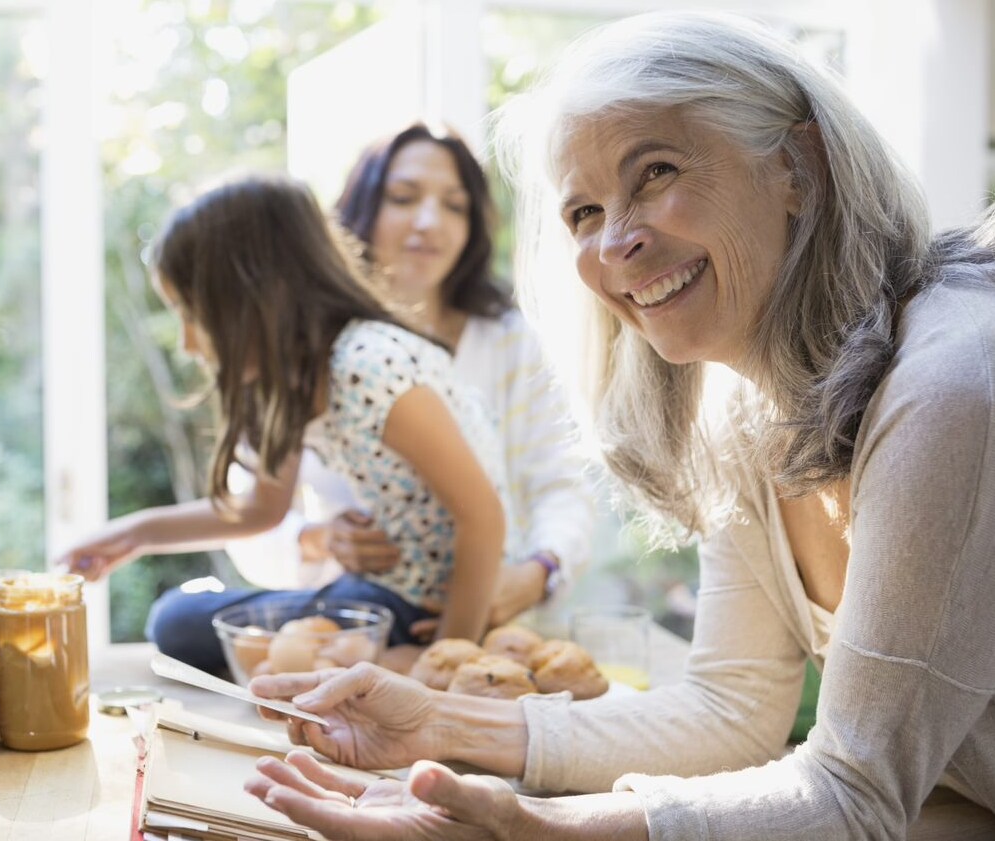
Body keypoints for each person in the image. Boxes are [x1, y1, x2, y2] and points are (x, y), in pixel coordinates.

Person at [244, 11, 995, 840]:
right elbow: (731, 706)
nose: (617, 243)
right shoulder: (752, 402)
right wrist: (440, 725)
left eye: (656, 171)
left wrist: (539, 827)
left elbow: (855, 796)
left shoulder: (945, 386)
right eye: (582, 213)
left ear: (797, 165)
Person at [59, 175, 514, 673]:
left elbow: (483, 517)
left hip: (424, 607)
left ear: (256, 297)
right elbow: (259, 511)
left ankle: (398, 660)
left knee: (179, 621)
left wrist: (446, 659)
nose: (189, 344)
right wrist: (134, 533)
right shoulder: (297, 381)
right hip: (384, 596)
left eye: (193, 315)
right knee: (179, 620)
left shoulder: (369, 365)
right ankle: (377, 659)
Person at [221, 123, 595, 639]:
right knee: (187, 622)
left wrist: (536, 575)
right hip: (355, 618)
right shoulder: (310, 349)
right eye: (403, 197)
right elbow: (252, 512)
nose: (429, 222)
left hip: (494, 626)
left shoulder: (510, 341)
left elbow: (558, 483)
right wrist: (319, 539)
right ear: (360, 209)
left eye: (455, 205)